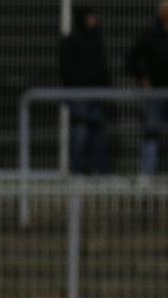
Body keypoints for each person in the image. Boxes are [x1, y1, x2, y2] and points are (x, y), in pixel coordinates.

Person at [127, 0, 168, 176]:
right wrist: (143, 77)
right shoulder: (149, 36)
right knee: (151, 134)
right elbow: (133, 60)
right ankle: (147, 179)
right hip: (154, 94)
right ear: (161, 14)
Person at [59, 5, 112, 174]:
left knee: (98, 136)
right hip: (79, 95)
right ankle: (78, 172)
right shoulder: (72, 41)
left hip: (96, 95)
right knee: (79, 135)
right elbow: (67, 69)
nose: (93, 21)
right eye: (90, 17)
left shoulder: (96, 40)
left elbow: (103, 68)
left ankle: (100, 173)